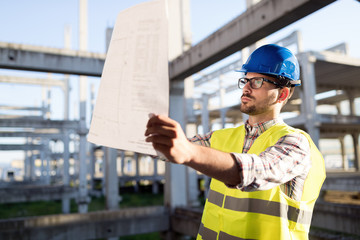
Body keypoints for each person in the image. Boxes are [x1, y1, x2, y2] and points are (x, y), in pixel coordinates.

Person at [145, 44, 326, 240]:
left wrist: (189, 152)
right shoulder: (220, 137)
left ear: (281, 94)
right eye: (245, 80)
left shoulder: (295, 143)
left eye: (257, 82)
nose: (246, 88)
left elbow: (260, 170)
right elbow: (163, 149)